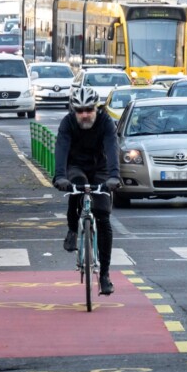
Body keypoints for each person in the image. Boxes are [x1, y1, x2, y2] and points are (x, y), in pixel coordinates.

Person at [53, 87, 121, 295]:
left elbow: (112, 146)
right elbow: (61, 147)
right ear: (74, 110)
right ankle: (73, 229)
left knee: (103, 216)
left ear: (97, 108)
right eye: (80, 110)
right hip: (76, 167)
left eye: (89, 110)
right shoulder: (68, 123)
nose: (84, 114)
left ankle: (104, 275)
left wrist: (114, 176)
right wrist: (59, 175)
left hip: (100, 168)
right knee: (76, 188)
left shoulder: (106, 122)